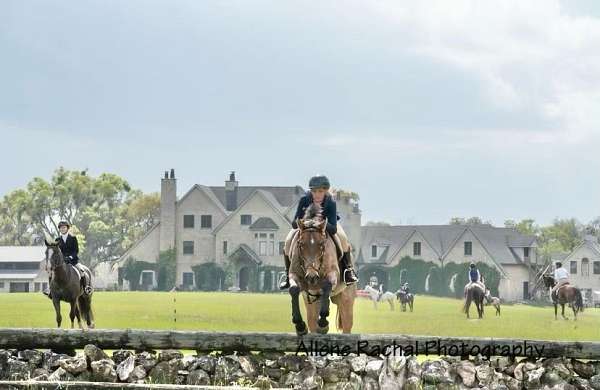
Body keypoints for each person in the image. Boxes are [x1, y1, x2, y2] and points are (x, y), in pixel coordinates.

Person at [279, 175, 359, 289]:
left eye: (320, 191)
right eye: (314, 191)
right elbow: (294, 222)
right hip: (306, 228)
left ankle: (348, 271)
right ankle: (287, 275)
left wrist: (319, 225)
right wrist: (305, 223)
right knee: (288, 241)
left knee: (343, 238)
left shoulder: (330, 202)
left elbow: (333, 228)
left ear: (326, 191)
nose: (317, 194)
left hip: (326, 226)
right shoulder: (304, 200)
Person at [43, 221, 92, 298]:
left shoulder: (73, 238)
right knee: (51, 273)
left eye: (64, 227)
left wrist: (70, 257)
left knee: (82, 271)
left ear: (67, 228)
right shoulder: (57, 239)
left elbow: (76, 251)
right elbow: (56, 252)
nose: (62, 229)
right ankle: (50, 290)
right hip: (61, 262)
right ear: (59, 229)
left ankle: (86, 287)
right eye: (61, 228)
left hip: (73, 261)